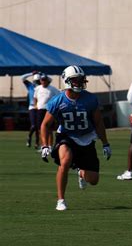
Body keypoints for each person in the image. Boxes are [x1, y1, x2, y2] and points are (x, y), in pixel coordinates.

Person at [39, 65, 112, 211]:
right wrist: (45, 145)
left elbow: (98, 122)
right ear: (66, 81)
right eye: (75, 80)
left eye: (80, 80)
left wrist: (105, 143)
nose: (79, 82)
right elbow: (45, 125)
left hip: (86, 137)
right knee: (65, 161)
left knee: (93, 180)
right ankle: (61, 200)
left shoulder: (90, 99)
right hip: (67, 135)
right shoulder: (57, 101)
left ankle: (80, 171)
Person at [34, 73, 60, 147]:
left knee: (49, 129)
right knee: (40, 129)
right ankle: (43, 146)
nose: (43, 81)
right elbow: (35, 97)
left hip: (49, 110)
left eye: (45, 80)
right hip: (40, 110)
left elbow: (58, 96)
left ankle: (50, 146)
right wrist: (35, 105)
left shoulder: (52, 88)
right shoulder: (38, 88)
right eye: (42, 80)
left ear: (48, 81)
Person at [21, 71, 41, 148]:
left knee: (38, 127)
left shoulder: (42, 87)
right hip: (32, 107)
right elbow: (22, 77)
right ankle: (29, 137)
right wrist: (31, 74)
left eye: (38, 81)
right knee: (33, 126)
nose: (37, 82)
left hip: (39, 107)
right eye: (36, 81)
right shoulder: (30, 86)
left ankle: (37, 142)